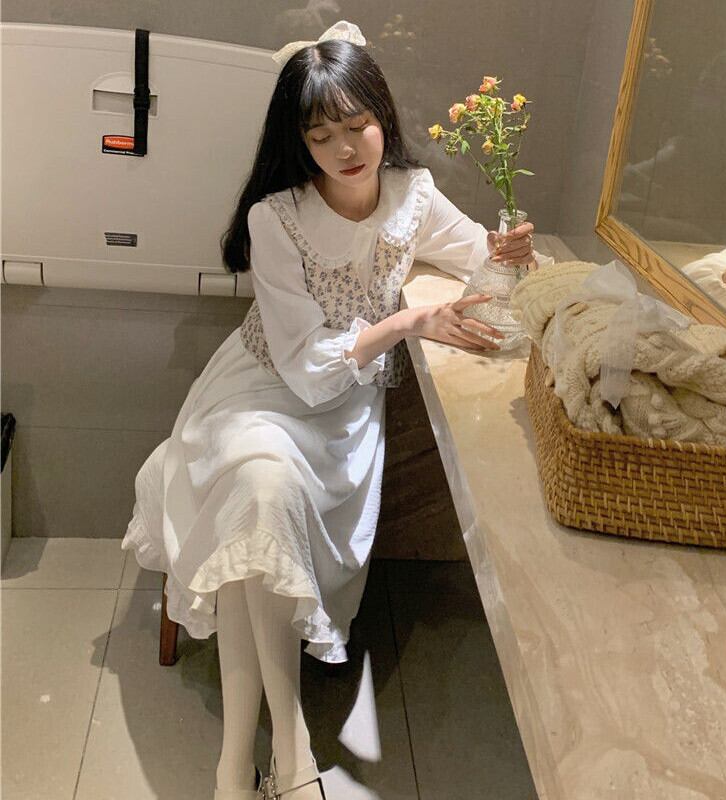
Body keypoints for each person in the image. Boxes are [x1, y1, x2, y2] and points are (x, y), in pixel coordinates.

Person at [121, 20, 548, 800]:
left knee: (259, 514)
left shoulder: (413, 195)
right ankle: (282, 757)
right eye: (321, 136)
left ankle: (239, 769)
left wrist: (511, 250)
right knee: (261, 486)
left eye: (358, 125)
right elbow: (303, 363)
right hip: (259, 393)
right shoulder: (274, 218)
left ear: (383, 114)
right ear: (299, 142)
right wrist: (407, 321)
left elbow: (478, 257)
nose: (346, 148)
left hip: (342, 418)